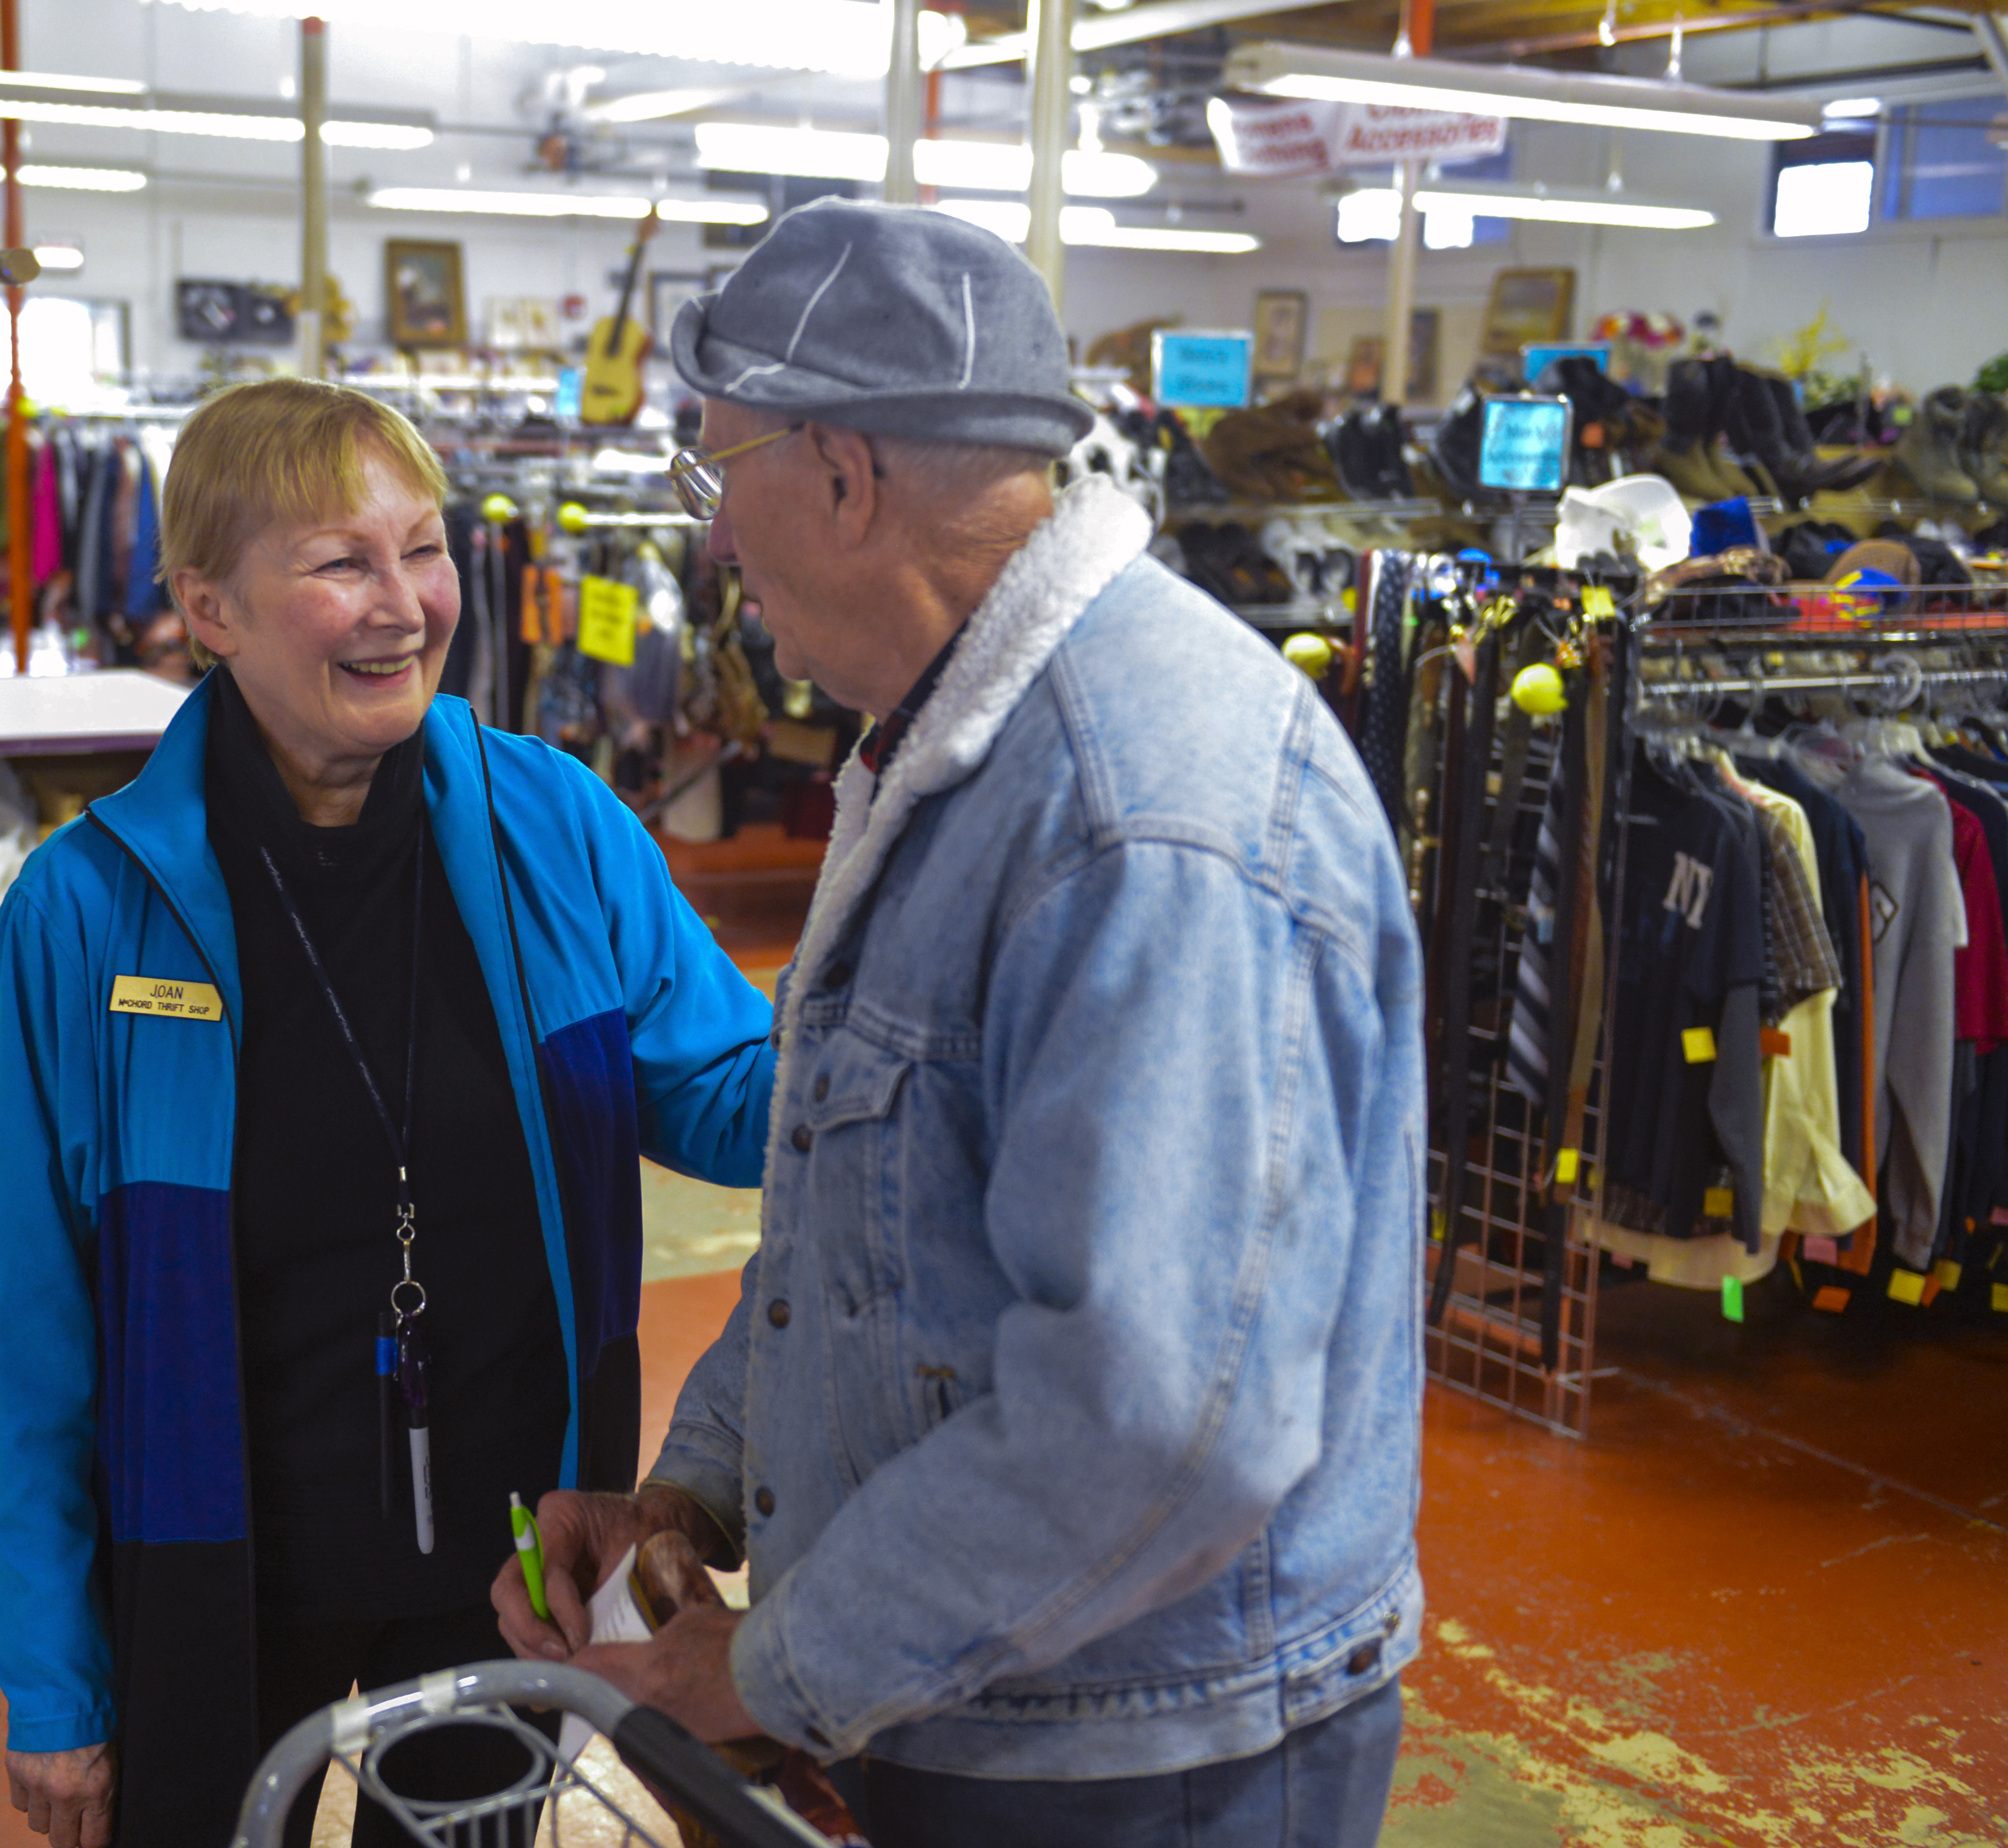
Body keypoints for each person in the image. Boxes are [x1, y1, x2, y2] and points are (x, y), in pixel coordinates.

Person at [496, 199, 1426, 1847]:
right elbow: (875, 1229)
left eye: (719, 480)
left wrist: (769, 1671)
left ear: (844, 475)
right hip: (986, 1689)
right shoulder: (940, 751)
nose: (710, 545)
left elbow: (1161, 1419)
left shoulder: (1141, 823)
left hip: (1147, 1764)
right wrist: (695, 1481)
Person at [0, 379, 776, 1848]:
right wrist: (56, 1689)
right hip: (212, 1567)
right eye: (342, 564)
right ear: (208, 608)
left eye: (425, 548)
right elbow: (26, 1340)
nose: (406, 605)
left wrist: (909, 1028)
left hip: (510, 1560)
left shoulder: (556, 825)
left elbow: (724, 1095)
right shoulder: (87, 914)